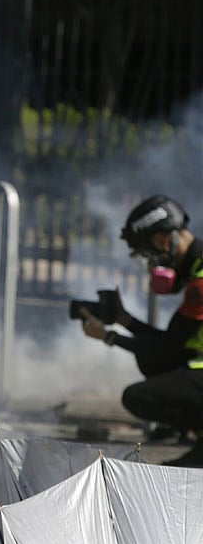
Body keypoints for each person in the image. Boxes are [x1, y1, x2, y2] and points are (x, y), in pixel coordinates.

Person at [78, 194, 203, 467]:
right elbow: (169, 345)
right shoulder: (197, 269)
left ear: (163, 239)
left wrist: (110, 337)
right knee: (152, 360)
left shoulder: (200, 281)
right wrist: (124, 320)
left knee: (137, 396)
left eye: (150, 252)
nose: (153, 261)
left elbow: (167, 347)